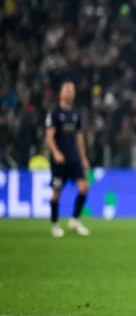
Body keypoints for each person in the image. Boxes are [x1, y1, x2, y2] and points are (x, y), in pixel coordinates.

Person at [45, 80, 91, 238]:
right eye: (67, 90)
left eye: (72, 90)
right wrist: (56, 152)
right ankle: (55, 224)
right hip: (59, 161)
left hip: (74, 159)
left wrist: (83, 157)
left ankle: (75, 220)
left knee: (84, 187)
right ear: (60, 93)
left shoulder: (76, 113)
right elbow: (49, 136)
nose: (69, 93)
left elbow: (79, 137)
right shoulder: (54, 113)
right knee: (56, 193)